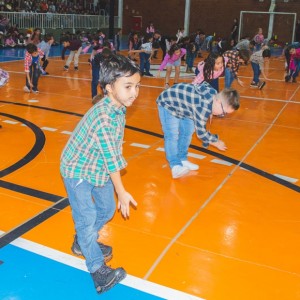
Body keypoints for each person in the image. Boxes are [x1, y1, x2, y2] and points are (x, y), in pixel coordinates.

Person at [60, 54, 140, 294]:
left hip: (97, 167)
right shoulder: (104, 115)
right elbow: (112, 159)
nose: (134, 92)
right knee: (86, 218)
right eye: (128, 86)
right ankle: (98, 273)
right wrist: (122, 191)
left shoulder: (119, 109)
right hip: (77, 169)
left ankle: (81, 241)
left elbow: (114, 148)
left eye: (137, 86)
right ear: (108, 88)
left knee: (105, 210)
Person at [156, 81, 240, 178]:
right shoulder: (202, 107)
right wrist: (216, 142)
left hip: (186, 107)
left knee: (187, 132)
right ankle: (175, 166)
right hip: (168, 104)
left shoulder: (213, 93)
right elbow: (201, 134)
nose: (222, 115)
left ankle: (182, 158)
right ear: (218, 102)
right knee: (172, 135)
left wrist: (211, 111)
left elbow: (205, 84)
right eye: (223, 112)